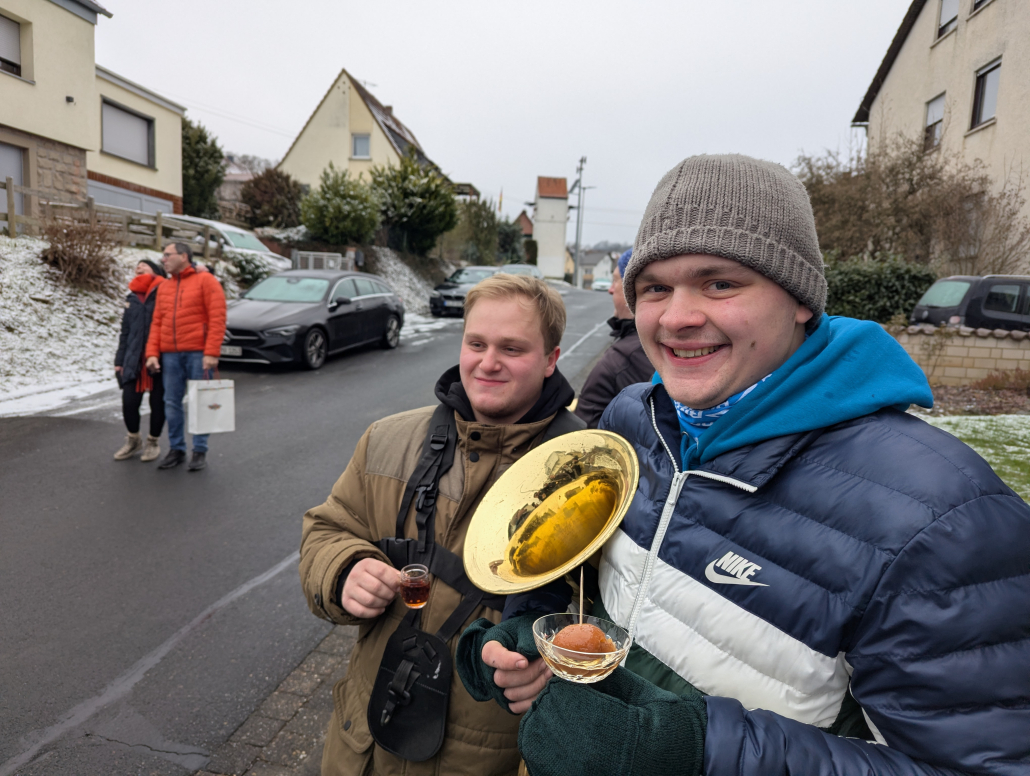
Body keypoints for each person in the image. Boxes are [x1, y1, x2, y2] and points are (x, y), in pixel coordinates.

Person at [509, 155, 1030, 776]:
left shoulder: (944, 519)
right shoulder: (635, 420)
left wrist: (697, 752)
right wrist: (530, 624)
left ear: (800, 300)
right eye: (655, 288)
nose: (676, 317)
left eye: (719, 283)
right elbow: (601, 576)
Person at [299, 274, 585, 776]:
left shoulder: (585, 474)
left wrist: (555, 660)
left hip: (489, 757)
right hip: (364, 743)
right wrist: (343, 569)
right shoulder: (386, 440)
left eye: (512, 348)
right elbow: (327, 529)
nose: (487, 362)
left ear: (550, 359)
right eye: (476, 343)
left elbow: (612, 615)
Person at [144, 242, 226, 472]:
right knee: (171, 402)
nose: (163, 260)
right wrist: (152, 353)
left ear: (183, 256)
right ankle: (177, 449)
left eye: (167, 255)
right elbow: (157, 322)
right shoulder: (165, 287)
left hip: (198, 352)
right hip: (170, 354)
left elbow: (218, 317)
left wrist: (211, 352)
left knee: (202, 400)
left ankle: (200, 449)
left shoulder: (206, 280)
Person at [573, 249, 653, 428]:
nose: (610, 290)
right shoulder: (637, 346)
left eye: (615, 281)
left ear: (630, 290)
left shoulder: (628, 357)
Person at [113, 259, 167, 461]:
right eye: (137, 266)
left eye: (144, 265)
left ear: (155, 270)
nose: (139, 267)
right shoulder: (132, 297)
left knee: (158, 403)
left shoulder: (165, 292)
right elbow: (125, 332)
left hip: (160, 357)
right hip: (134, 358)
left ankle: (153, 442)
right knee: (129, 402)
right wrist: (119, 360)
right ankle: (133, 440)